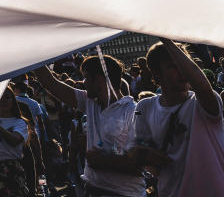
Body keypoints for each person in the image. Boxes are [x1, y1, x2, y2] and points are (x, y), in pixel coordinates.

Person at [35, 55, 145, 197]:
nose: (83, 82)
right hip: (92, 189)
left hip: (124, 193)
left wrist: (102, 160)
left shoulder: (133, 111)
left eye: (86, 77)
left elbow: (140, 164)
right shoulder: (90, 102)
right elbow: (50, 83)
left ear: (99, 79)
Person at [131, 39, 224, 197]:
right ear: (157, 75)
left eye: (184, 65)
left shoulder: (202, 102)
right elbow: (139, 150)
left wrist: (166, 39)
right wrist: (146, 156)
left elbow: (201, 85)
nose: (182, 71)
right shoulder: (143, 108)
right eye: (173, 66)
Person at [0, 88, 29, 197]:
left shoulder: (19, 122)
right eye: (0, 98)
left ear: (13, 101)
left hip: (12, 168)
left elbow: (15, 141)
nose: (3, 101)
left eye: (7, 97)